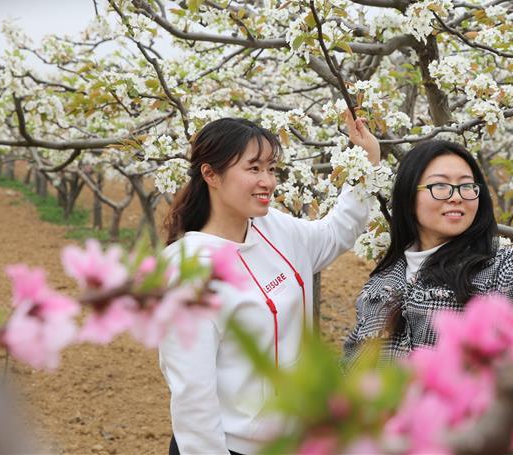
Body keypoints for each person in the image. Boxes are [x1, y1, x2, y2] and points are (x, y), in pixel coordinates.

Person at [160, 113, 379, 455]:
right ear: (210, 174)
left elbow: (336, 233)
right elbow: (193, 395)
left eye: (271, 169)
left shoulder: (273, 227)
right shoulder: (188, 271)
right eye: (253, 168)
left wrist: (365, 164)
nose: (268, 182)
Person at [344, 140, 513, 363]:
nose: (456, 197)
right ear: (409, 197)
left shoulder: (497, 265)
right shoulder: (383, 279)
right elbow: (354, 362)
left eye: (466, 186)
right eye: (440, 186)